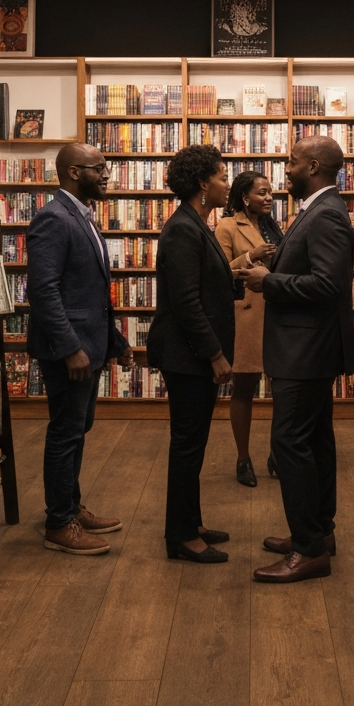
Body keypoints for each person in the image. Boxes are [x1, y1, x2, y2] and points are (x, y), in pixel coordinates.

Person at [239, 136, 354, 584]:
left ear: (312, 166)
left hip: (306, 350)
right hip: (307, 347)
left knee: (290, 444)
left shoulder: (325, 214)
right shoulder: (317, 209)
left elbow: (327, 284)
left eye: (291, 161)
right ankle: (317, 533)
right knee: (315, 442)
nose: (285, 169)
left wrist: (270, 281)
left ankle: (308, 549)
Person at [27, 142, 133, 556]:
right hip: (69, 351)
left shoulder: (82, 216)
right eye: (99, 168)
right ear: (74, 172)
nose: (106, 175)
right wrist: (71, 348)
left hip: (90, 346)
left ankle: (69, 506)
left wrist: (116, 342)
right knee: (65, 433)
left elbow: (92, 294)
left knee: (77, 430)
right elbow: (44, 291)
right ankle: (59, 523)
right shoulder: (53, 218)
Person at [147, 144, 237, 564]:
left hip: (192, 355)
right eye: (221, 177)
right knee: (187, 444)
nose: (226, 183)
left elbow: (205, 285)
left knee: (194, 442)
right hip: (188, 357)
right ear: (203, 184)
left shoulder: (196, 223)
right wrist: (216, 354)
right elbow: (186, 301)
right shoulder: (184, 228)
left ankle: (192, 520)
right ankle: (180, 536)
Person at [214, 171, 282, 487]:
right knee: (244, 389)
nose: (269, 198)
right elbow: (217, 274)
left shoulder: (272, 227)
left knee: (283, 389)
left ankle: (278, 454)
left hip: (278, 314)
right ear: (244, 197)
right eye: (262, 193)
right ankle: (243, 459)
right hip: (247, 317)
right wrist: (249, 256)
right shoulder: (227, 226)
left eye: (270, 193)